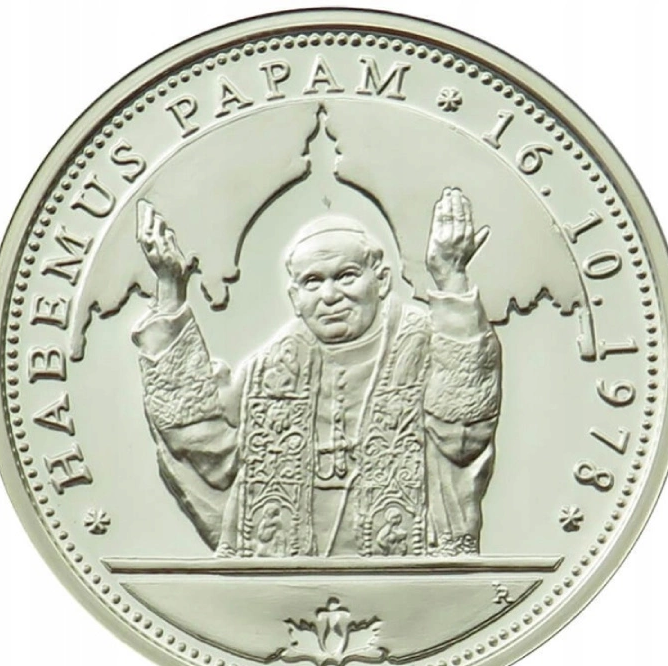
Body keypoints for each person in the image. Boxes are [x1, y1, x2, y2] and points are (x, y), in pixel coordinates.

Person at [133, 188, 501, 558]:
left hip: (410, 570)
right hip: (282, 570)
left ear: (382, 280)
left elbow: (463, 436)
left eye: (346, 276)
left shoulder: (430, 344)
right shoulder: (272, 368)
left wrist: (452, 278)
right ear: (295, 297)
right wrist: (170, 292)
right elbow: (202, 443)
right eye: (312, 281)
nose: (329, 295)